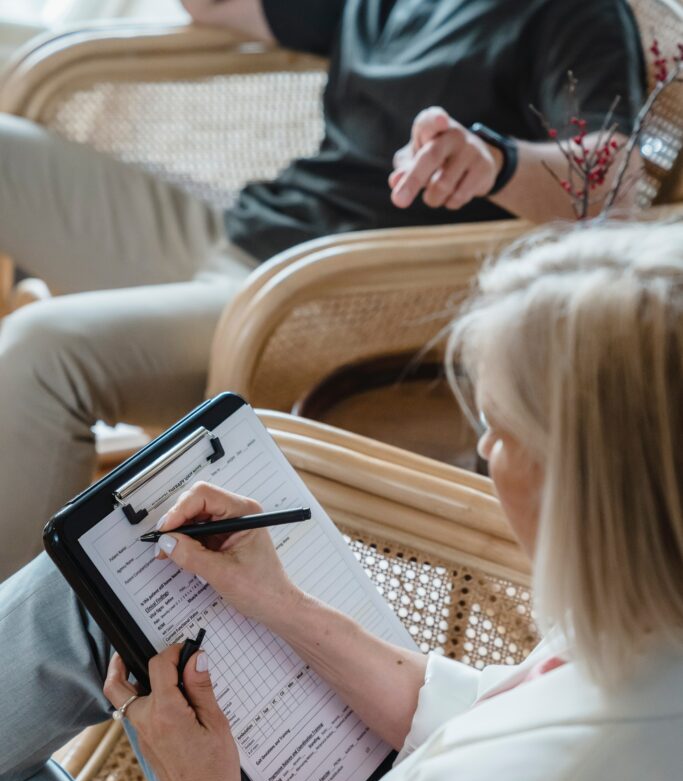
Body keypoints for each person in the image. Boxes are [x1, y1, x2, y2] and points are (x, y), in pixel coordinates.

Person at [2, 217, 683, 781]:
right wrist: (285, 606)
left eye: (497, 431)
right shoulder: (652, 621)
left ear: (590, 493)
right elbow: (485, 712)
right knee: (110, 585)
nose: (478, 449)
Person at [0, 0, 645, 581]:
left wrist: (494, 161)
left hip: (317, 303)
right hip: (244, 232)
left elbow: (614, 184)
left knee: (41, 351)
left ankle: (19, 677)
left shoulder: (573, 13)